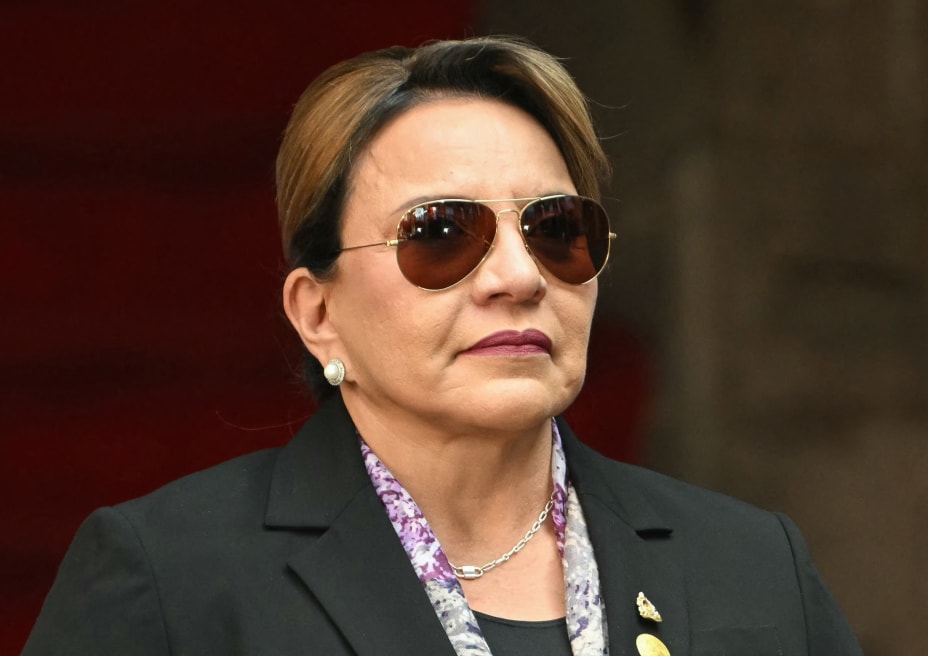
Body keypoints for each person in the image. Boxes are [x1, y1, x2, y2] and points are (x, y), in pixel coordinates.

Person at [23, 36, 862, 655]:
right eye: (440, 233)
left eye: (556, 230)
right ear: (318, 314)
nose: (518, 277)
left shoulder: (754, 566)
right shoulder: (171, 578)